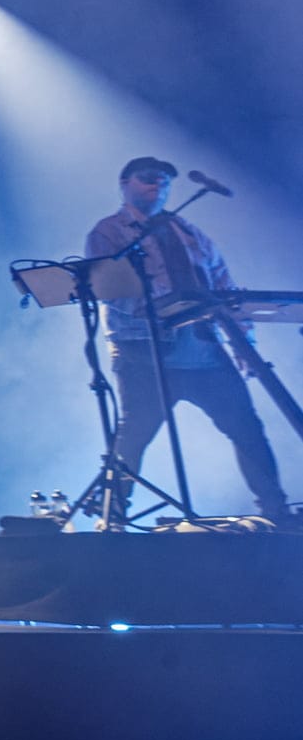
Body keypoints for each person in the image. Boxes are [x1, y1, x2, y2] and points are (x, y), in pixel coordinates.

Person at [84, 156, 290, 523]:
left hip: (205, 350)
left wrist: (245, 344)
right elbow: (109, 288)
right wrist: (171, 304)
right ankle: (113, 514)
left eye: (164, 181)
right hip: (145, 352)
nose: (158, 186)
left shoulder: (190, 232)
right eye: (149, 179)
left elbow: (224, 286)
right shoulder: (109, 231)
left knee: (247, 428)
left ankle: (276, 511)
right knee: (135, 435)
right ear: (125, 183)